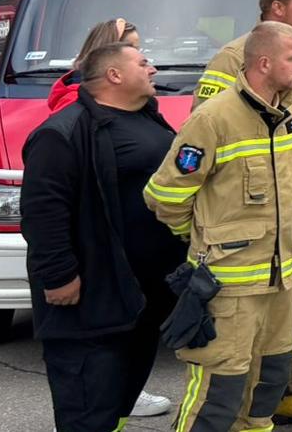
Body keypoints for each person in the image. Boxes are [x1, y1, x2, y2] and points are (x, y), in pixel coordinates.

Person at [192, 0, 292, 425]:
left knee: (290, 317)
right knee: (234, 357)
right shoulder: (232, 59)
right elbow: (205, 142)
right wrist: (207, 233)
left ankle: (287, 390)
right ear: (277, 8)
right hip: (248, 224)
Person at [147, 22, 292, 432]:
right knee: (217, 398)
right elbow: (165, 196)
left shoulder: (288, 112)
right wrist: (202, 236)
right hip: (230, 289)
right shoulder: (214, 118)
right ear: (264, 62)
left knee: (266, 391)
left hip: (281, 282)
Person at [24, 41, 178, 432]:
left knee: (118, 401)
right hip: (92, 301)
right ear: (114, 75)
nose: (153, 69)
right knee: (88, 406)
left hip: (142, 298)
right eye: (143, 62)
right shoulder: (63, 132)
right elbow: (43, 211)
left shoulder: (148, 117)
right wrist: (58, 275)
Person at [48, 19, 140, 111]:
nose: (140, 57)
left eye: (138, 50)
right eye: (132, 49)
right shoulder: (74, 102)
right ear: (107, 53)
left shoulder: (129, 95)